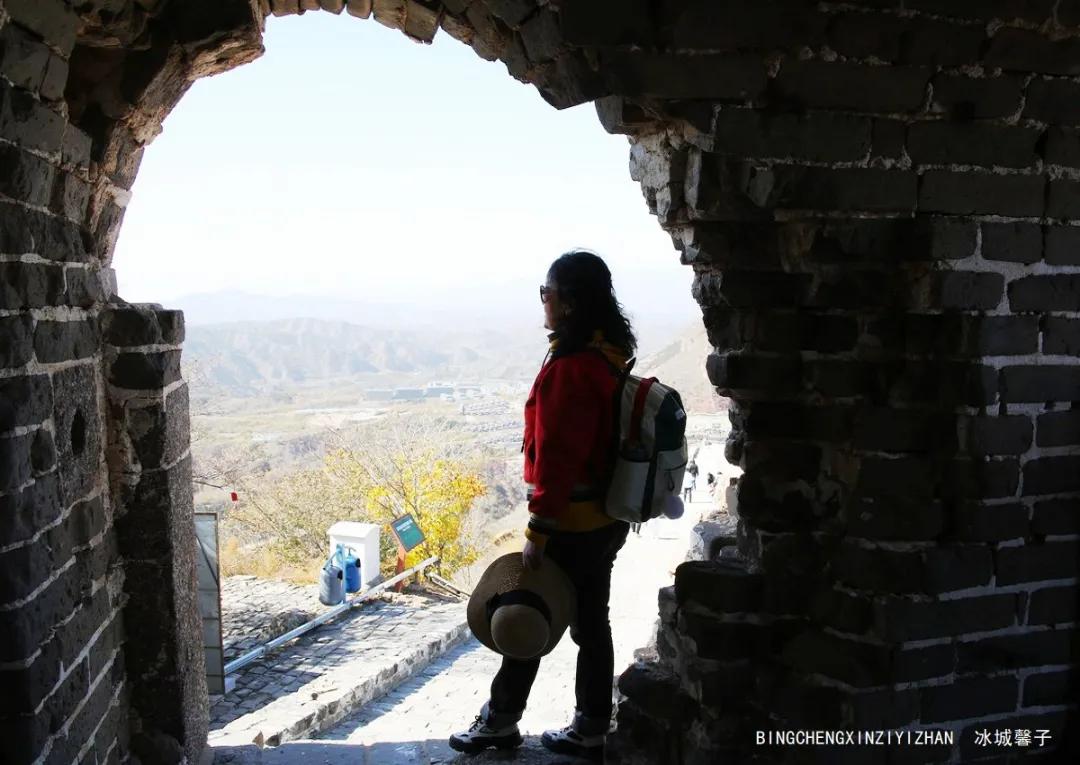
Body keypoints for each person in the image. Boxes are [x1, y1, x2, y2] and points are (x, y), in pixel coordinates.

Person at [450, 250, 636, 761]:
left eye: (547, 292)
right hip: (606, 516)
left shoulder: (570, 369)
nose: (543, 302)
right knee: (591, 622)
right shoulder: (609, 353)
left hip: (570, 523)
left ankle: (499, 722)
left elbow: (556, 458)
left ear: (570, 303)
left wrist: (538, 530)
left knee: (525, 612)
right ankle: (592, 725)